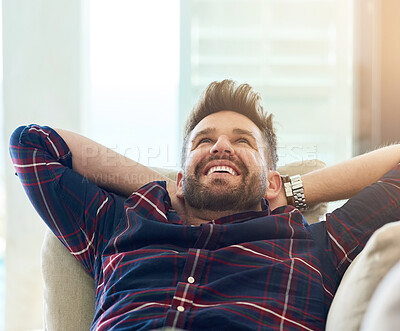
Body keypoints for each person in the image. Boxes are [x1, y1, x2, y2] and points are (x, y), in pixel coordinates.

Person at [9, 80, 400, 330]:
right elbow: (32, 145)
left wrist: (291, 190)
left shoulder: (315, 247)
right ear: (178, 179)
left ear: (272, 181)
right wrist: (166, 185)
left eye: (243, 141)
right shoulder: (120, 226)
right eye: (203, 142)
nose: (221, 146)